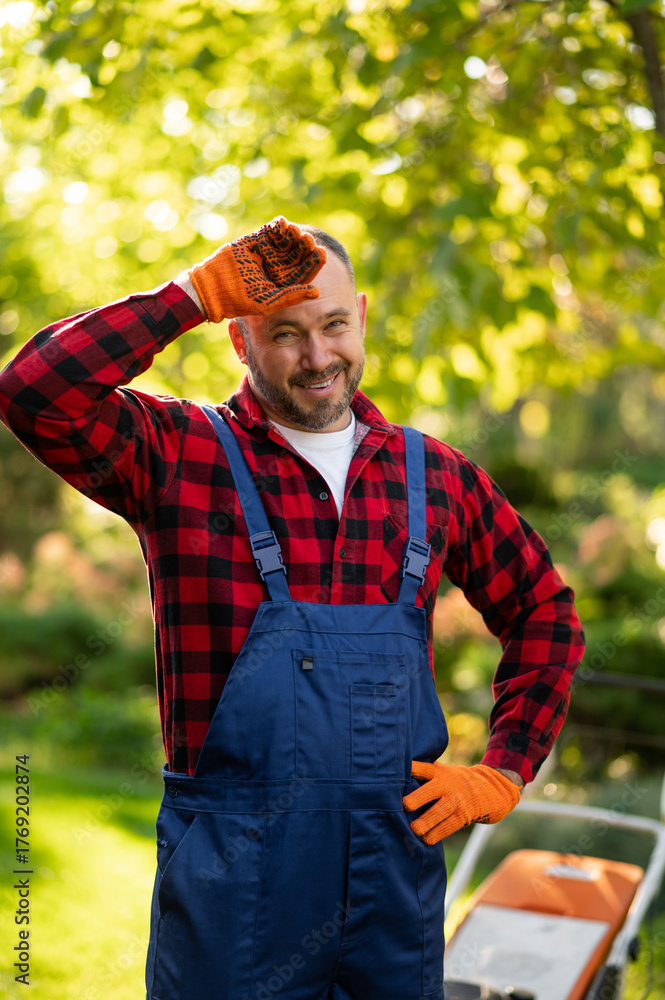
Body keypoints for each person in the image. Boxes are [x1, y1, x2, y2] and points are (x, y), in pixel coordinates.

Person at [0, 216, 584, 1000]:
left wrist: (505, 769)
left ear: (362, 318)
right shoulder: (177, 454)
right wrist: (188, 295)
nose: (317, 358)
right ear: (238, 340)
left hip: (392, 882)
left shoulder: (431, 475)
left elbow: (544, 611)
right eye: (285, 333)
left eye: (334, 325)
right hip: (234, 884)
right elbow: (35, 393)